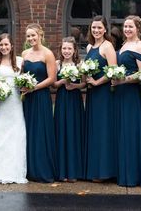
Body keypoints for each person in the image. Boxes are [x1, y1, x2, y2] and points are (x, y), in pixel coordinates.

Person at [0, 33, 27, 184]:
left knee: (15, 135)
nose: (4, 47)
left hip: (15, 103)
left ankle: (14, 171)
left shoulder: (20, 61)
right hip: (0, 103)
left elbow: (22, 81)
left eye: (6, 44)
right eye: (1, 45)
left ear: (12, 46)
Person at [112, 15, 141, 187]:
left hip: (131, 94)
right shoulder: (125, 44)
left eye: (130, 27)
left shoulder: (140, 46)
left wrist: (124, 80)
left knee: (130, 132)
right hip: (120, 92)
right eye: (125, 26)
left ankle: (132, 175)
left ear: (138, 29)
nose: (127, 29)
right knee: (122, 131)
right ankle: (123, 172)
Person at [21, 23, 57, 183]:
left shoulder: (48, 54)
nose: (31, 38)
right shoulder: (24, 53)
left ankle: (42, 170)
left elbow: (52, 79)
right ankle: (29, 169)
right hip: (28, 98)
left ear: (40, 35)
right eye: (28, 36)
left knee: (41, 131)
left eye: (33, 35)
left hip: (41, 97)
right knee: (28, 131)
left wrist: (34, 88)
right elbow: (21, 74)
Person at [84, 16, 117, 182]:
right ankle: (93, 169)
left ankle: (104, 171)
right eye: (93, 28)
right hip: (92, 94)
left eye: (99, 28)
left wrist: (97, 82)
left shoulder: (108, 46)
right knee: (94, 129)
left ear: (105, 29)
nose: (96, 31)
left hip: (103, 93)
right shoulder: (90, 46)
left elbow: (113, 71)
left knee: (103, 129)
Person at [53, 36, 85, 182]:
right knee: (61, 131)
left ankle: (74, 171)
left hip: (74, 100)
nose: (66, 51)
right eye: (64, 48)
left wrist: (74, 85)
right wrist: (63, 81)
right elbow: (53, 84)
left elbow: (84, 84)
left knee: (74, 131)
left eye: (69, 49)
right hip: (61, 100)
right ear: (61, 49)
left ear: (74, 50)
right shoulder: (57, 64)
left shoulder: (80, 64)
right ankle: (62, 171)